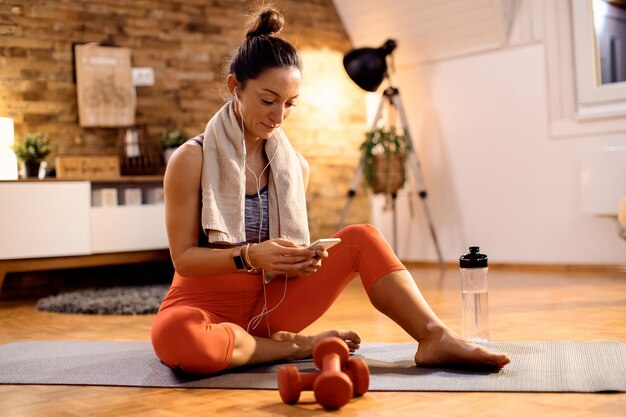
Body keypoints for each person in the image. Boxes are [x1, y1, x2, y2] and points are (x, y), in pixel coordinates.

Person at [150, 6, 511, 375]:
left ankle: (434, 337)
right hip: (200, 310)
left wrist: (302, 260)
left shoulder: (294, 167)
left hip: (267, 310)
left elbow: (282, 265)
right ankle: (291, 348)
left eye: (290, 104)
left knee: (360, 237)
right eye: (268, 100)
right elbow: (184, 260)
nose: (278, 116)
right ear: (234, 87)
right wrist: (251, 256)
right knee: (178, 338)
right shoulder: (191, 159)